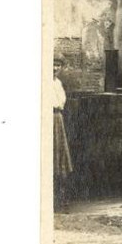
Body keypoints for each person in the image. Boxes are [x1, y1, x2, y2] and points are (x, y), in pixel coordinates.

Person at [52, 56, 73, 208]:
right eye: (53, 65)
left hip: (58, 117)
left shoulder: (58, 83)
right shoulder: (44, 82)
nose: (55, 68)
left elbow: (62, 102)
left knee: (60, 154)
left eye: (58, 66)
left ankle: (61, 196)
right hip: (49, 117)